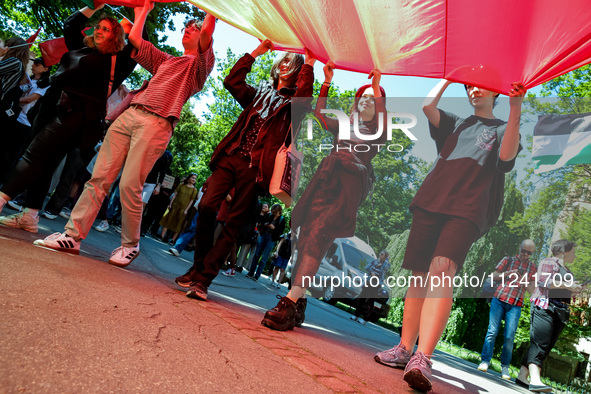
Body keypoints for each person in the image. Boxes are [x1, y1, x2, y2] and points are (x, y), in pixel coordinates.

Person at [33, 0, 215, 267]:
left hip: (157, 122)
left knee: (130, 184)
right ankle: (72, 236)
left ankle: (130, 245)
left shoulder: (199, 67)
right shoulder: (166, 60)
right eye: (186, 26)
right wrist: (145, 10)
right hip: (130, 115)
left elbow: (209, 28)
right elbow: (135, 38)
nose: (187, 29)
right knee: (99, 178)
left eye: (193, 27)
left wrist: (213, 8)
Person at [374, 78, 526, 392]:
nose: (474, 90)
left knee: (441, 271)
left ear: (495, 91)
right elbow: (427, 106)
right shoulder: (457, 123)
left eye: (480, 85)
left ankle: (423, 357)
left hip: (467, 209)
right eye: (469, 86)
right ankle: (404, 349)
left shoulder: (500, 128)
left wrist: (516, 108)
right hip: (430, 201)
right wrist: (448, 77)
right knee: (418, 277)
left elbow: (508, 158)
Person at [174, 40, 315, 301]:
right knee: (205, 207)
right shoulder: (259, 94)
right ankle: (198, 266)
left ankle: (203, 279)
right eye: (284, 60)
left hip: (256, 169)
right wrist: (255, 53)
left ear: (297, 72)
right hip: (231, 157)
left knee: (233, 224)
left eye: (293, 64)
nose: (286, 65)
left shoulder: (291, 106)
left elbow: (306, 96)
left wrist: (309, 65)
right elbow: (232, 82)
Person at [261, 61, 386, 331]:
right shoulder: (343, 125)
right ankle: (299, 302)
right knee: (306, 239)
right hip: (323, 185)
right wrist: (327, 81)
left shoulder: (378, 132)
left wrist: (376, 86)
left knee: (317, 238)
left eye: (372, 99)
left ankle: (289, 302)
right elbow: (318, 113)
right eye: (362, 97)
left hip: (344, 193)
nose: (366, 101)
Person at [0, 4, 138, 233]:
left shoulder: (117, 61)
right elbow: (71, 24)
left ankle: (3, 198)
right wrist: (97, 4)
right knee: (45, 163)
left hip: (73, 114)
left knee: (33, 155)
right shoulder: (82, 49)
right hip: (51, 107)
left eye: (107, 29)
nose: (99, 31)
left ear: (117, 37)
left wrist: (140, 14)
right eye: (98, 27)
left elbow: (136, 44)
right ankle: (30, 215)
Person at [516, 239, 582, 392]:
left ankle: (522, 376)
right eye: (573, 252)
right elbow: (543, 281)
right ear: (564, 252)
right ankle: (535, 380)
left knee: (545, 346)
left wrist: (575, 288)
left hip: (560, 311)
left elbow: (563, 288)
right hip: (545, 307)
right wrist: (568, 285)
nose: (575, 256)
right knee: (541, 343)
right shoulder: (549, 262)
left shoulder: (568, 271)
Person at [477, 239, 537, 379]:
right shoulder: (507, 260)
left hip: (516, 304)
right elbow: (493, 276)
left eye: (529, 253)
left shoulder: (533, 268)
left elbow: (532, 290)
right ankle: (485, 361)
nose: (526, 255)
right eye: (524, 251)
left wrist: (523, 278)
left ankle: (505, 367)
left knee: (509, 337)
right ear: (519, 248)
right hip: (499, 298)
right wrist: (509, 273)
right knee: (492, 331)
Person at [1, 56, 50, 182]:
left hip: (25, 123)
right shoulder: (28, 79)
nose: (33, 66)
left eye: (37, 64)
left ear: (45, 69)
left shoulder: (45, 85)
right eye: (34, 63)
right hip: (13, 117)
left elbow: (29, 99)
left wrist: (11, 100)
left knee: (11, 155)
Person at [247, 203, 285, 280]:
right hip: (263, 235)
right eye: (273, 212)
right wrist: (265, 225)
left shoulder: (282, 220)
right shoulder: (269, 215)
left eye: (275, 212)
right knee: (256, 254)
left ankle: (257, 276)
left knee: (264, 258)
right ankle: (251, 272)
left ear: (279, 212)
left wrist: (274, 228)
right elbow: (261, 224)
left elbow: (280, 233)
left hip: (271, 239)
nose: (273, 214)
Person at [351, 250, 390, 325]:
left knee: (370, 301)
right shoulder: (375, 261)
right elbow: (367, 267)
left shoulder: (386, 265)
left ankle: (366, 319)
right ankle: (356, 315)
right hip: (369, 281)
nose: (380, 254)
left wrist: (387, 259)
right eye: (380, 253)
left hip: (376, 284)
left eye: (382, 254)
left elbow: (385, 268)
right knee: (362, 298)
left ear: (385, 257)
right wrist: (371, 272)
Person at [160, 173, 199, 243]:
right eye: (193, 178)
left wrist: (186, 210)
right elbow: (175, 194)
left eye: (195, 179)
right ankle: (162, 236)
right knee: (168, 219)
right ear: (189, 178)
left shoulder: (194, 190)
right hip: (175, 205)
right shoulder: (181, 185)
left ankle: (172, 240)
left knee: (179, 224)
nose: (194, 179)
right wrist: (170, 204)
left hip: (183, 209)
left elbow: (191, 201)